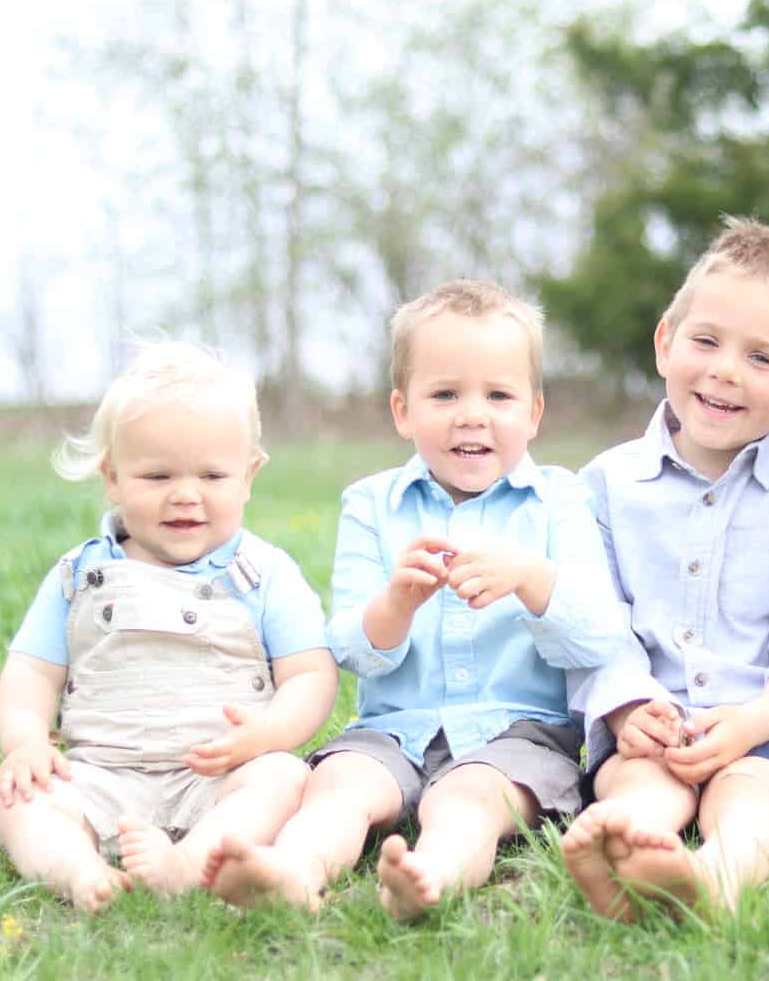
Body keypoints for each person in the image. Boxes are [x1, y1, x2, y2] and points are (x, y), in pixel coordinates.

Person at [202, 279, 629, 918]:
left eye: (499, 395)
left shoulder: (560, 502)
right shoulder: (372, 505)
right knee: (337, 788)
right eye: (445, 394)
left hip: (517, 734)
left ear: (534, 412)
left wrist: (530, 578)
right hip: (392, 729)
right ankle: (293, 870)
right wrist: (395, 603)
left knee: (466, 803)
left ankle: (430, 876)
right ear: (403, 410)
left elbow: (599, 636)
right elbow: (348, 645)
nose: (472, 414)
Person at [561, 217, 769, 919]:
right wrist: (628, 706)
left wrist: (750, 724)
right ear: (666, 342)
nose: (724, 370)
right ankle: (633, 854)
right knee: (641, 786)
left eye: (761, 358)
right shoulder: (603, 485)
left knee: (749, 797)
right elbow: (591, 626)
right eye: (707, 341)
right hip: (650, 723)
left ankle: (717, 877)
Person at [0, 341, 339, 913]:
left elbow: (310, 675)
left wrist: (269, 734)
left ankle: (192, 861)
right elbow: (31, 670)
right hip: (100, 773)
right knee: (18, 800)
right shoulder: (79, 575)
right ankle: (78, 870)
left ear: (249, 476)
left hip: (220, 776)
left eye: (211, 475)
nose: (184, 495)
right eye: (156, 476)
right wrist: (25, 743)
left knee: (285, 779)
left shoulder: (265, 575)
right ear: (112, 478)